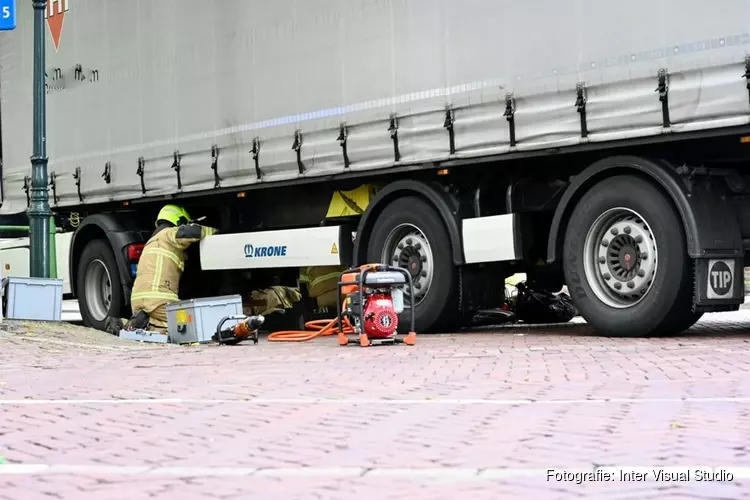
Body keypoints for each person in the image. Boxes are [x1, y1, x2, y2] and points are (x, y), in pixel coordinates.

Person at [105, 204, 217, 335]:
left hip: (137, 301)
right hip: (159, 300)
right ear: (179, 222)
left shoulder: (151, 242)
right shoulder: (168, 234)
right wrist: (215, 232)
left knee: (161, 329)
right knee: (193, 323)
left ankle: (130, 324)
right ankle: (135, 324)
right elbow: (193, 232)